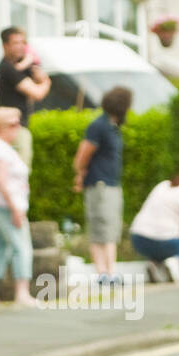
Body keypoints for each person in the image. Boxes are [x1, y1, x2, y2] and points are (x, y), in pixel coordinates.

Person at [73, 86, 132, 285]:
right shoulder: (98, 126)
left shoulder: (112, 126)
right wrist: (80, 173)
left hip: (111, 184)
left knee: (111, 227)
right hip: (100, 184)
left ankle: (109, 271)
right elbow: (84, 153)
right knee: (102, 227)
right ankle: (104, 273)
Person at [0, 108, 35, 306]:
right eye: (12, 124)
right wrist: (15, 208)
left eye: (18, 123)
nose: (17, 128)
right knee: (21, 247)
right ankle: (22, 293)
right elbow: (1, 181)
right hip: (3, 206)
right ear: (0, 126)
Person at [0, 27, 50, 171]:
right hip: (14, 128)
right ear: (5, 45)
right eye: (16, 43)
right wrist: (46, 82)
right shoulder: (8, 69)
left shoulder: (14, 66)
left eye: (23, 42)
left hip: (11, 127)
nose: (21, 46)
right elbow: (37, 93)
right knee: (20, 172)